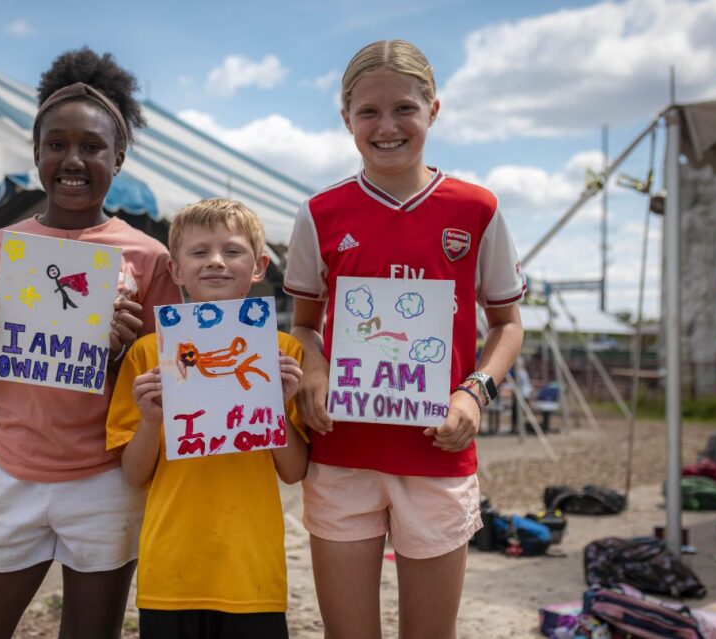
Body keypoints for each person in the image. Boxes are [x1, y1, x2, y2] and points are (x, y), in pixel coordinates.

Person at [0, 47, 183, 639]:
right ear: (37, 153)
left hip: (105, 481)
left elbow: (166, 382)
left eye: (93, 147)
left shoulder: (150, 259)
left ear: (118, 158)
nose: (73, 159)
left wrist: (127, 350)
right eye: (57, 144)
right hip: (9, 475)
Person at [284, 40, 526, 638]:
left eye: (404, 109)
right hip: (341, 453)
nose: (387, 126)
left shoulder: (477, 210)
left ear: (433, 110)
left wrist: (473, 393)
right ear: (346, 118)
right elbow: (304, 325)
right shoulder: (320, 214)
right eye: (368, 112)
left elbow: (508, 325)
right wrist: (312, 367)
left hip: (436, 456)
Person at [106, 199, 307, 639]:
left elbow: (294, 471)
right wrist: (150, 420)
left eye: (232, 251)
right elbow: (134, 473)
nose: (216, 261)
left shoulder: (283, 355)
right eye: (199, 252)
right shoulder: (147, 355)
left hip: (252, 572)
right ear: (175, 270)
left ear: (259, 265)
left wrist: (275, 404)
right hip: (169, 572)